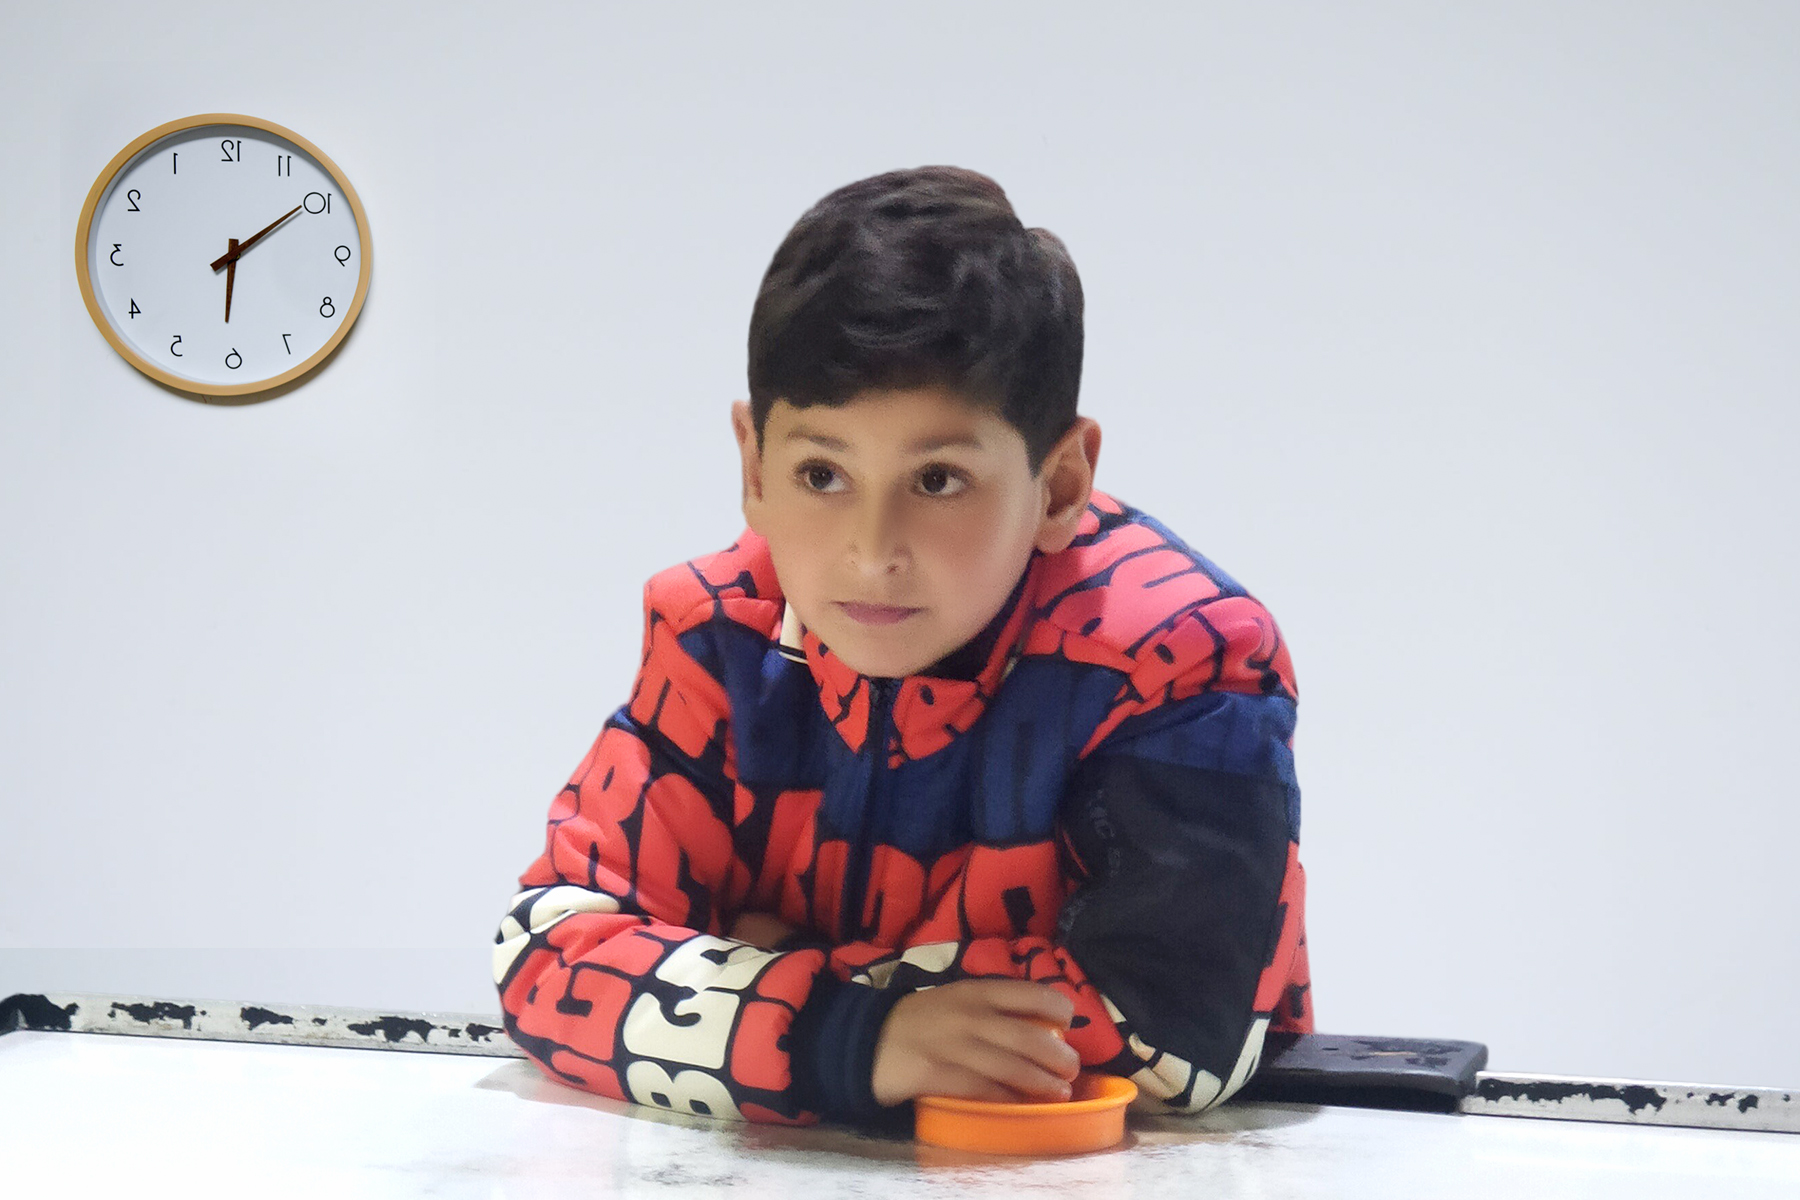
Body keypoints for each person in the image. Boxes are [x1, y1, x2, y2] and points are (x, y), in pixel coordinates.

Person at [492, 166, 1312, 1128]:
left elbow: (1176, 1031)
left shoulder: (1183, 659)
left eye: (937, 481)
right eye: (821, 473)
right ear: (754, 466)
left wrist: (762, 974)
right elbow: (547, 952)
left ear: (1058, 485)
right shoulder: (717, 634)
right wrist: (858, 1036)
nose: (872, 552)